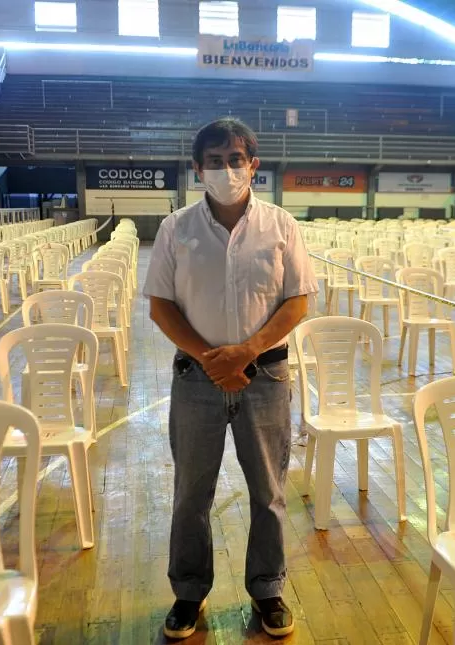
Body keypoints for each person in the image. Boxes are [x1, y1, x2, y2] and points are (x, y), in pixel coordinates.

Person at [144, 118, 318, 639]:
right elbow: (161, 306)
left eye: (235, 158)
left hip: (264, 376)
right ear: (197, 169)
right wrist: (210, 357)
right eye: (214, 160)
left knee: (268, 491)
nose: (226, 168)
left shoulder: (282, 226)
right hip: (197, 380)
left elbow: (298, 301)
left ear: (253, 166)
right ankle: (188, 592)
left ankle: (267, 588)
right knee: (191, 493)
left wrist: (246, 351)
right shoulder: (177, 228)